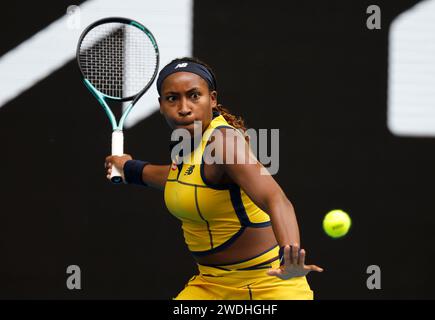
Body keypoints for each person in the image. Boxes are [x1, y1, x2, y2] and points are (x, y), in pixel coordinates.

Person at [104, 57, 323, 300]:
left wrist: (289, 256)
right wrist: (130, 169)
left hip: (268, 284)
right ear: (161, 104)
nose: (184, 107)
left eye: (194, 95)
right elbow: (183, 179)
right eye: (172, 98)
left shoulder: (223, 143)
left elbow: (275, 198)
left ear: (213, 99)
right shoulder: (188, 141)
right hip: (210, 285)